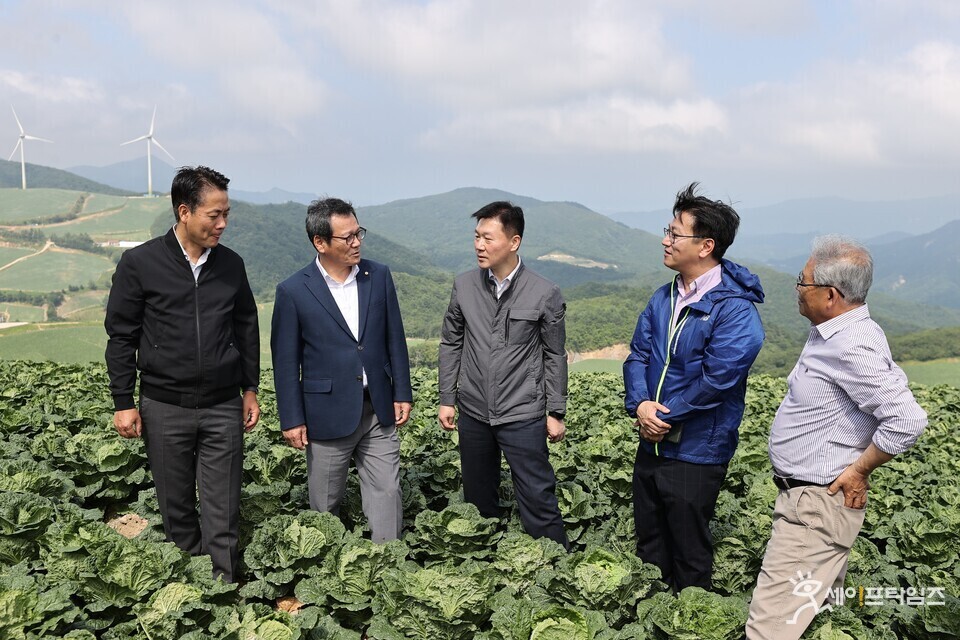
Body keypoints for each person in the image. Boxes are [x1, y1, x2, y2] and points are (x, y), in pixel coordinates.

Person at [746, 236, 927, 639]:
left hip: (815, 508)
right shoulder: (833, 331)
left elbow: (907, 419)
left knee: (769, 628)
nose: (796, 288)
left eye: (802, 281)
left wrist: (860, 470)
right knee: (821, 620)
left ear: (830, 295)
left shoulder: (851, 344)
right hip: (811, 504)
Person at [105, 165, 260, 582]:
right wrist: (124, 401)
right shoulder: (140, 263)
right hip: (163, 404)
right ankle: (190, 583)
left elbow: (246, 326)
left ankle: (224, 585)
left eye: (226, 213)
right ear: (184, 210)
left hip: (223, 404)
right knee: (174, 504)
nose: (222, 223)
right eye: (214, 215)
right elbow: (121, 336)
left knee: (223, 504)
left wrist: (251, 387)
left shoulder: (231, 265)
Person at [623, 183, 765, 591]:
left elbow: (718, 379)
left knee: (688, 549)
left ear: (705, 246)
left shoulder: (734, 310)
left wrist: (665, 415)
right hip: (651, 440)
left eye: (674, 233)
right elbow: (637, 355)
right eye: (667, 231)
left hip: (696, 449)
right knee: (650, 541)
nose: (665, 241)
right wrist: (641, 406)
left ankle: (688, 619)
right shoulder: (663, 297)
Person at [271, 198, 412, 542]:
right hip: (326, 413)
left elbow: (394, 336)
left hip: (377, 406)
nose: (356, 242)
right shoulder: (293, 290)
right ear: (320, 242)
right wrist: (291, 418)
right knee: (325, 504)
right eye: (346, 237)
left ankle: (386, 566)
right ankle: (326, 572)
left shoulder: (377, 275)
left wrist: (402, 391)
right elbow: (286, 362)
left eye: (358, 233)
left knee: (387, 495)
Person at [438, 201, 569, 549]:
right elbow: (451, 342)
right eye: (476, 237)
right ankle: (487, 569)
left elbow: (554, 354)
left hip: (522, 412)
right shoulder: (464, 286)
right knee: (478, 500)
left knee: (537, 499)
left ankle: (559, 566)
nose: (479, 245)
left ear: (514, 242)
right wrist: (447, 399)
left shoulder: (544, 292)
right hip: (474, 411)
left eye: (488, 238)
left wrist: (555, 411)